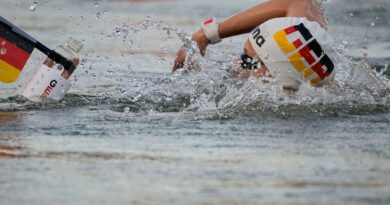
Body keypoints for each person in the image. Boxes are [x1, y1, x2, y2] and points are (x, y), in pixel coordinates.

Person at [172, 0, 337, 91]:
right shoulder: (311, 74)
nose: (236, 63)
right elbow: (298, 2)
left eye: (245, 60)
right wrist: (206, 35)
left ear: (272, 74)